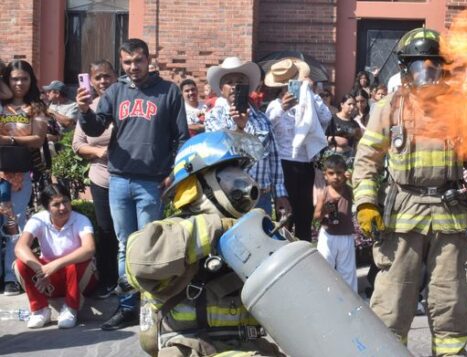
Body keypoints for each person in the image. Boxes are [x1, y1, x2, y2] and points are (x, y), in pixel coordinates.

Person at [353, 27, 467, 356]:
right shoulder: (389, 107)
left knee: (450, 297)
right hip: (402, 214)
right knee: (393, 298)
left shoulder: (462, 109)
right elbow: (366, 161)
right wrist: (365, 203)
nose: (427, 73)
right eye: (420, 66)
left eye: (433, 66)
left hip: (448, 214)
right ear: (405, 69)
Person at [125, 130, 284, 356]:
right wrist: (219, 228)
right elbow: (139, 262)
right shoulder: (173, 232)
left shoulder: (254, 232)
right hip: (191, 349)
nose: (245, 186)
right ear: (200, 185)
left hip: (247, 346)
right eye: (230, 176)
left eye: (241, 174)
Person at [76, 38, 189, 330]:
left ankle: (152, 307)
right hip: (119, 179)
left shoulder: (168, 92)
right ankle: (127, 307)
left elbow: (182, 137)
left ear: (148, 60)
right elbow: (96, 127)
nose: (133, 67)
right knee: (125, 245)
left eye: (138, 61)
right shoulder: (116, 91)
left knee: (150, 245)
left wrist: (174, 172)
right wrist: (85, 111)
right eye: (127, 62)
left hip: (152, 182)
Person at [203, 56, 291, 217]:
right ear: (222, 88)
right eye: (230, 81)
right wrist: (239, 128)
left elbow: (274, 156)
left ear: (248, 87)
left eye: (240, 81)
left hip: (261, 196)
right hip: (229, 197)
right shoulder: (214, 116)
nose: (235, 85)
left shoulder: (262, 118)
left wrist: (280, 193)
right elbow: (224, 154)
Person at [265, 58, 332, 242]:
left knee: (305, 216)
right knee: (286, 217)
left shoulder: (307, 101)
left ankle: (304, 253)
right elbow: (268, 127)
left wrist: (313, 92)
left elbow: (326, 118)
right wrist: (282, 108)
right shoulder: (274, 106)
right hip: (284, 165)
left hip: (306, 164)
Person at [13, 183, 96, 329]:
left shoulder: (81, 220)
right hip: (48, 280)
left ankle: (70, 309)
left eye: (65, 201)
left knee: (75, 262)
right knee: (20, 263)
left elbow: (89, 249)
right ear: (47, 207)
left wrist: (56, 264)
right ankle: (40, 310)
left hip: (75, 277)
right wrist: (41, 270)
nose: (63, 208)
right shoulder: (38, 220)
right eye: (56, 204)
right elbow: (20, 247)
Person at [1, 60, 49, 296]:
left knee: (14, 225)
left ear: (31, 81)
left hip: (21, 175)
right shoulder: (1, 104)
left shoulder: (35, 107)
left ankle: (11, 276)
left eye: (24, 78)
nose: (19, 83)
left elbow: (38, 139)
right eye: (14, 78)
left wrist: (8, 140)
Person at [71, 59, 118, 299]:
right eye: (97, 77)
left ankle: (130, 281)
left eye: (107, 76)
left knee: (131, 232)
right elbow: (77, 144)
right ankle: (109, 280)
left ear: (115, 76)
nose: (102, 81)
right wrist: (99, 152)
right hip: (101, 178)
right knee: (106, 231)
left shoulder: (124, 102)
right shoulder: (89, 107)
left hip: (129, 177)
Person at [314, 155, 356, 291]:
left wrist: (353, 179)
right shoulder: (323, 193)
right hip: (328, 236)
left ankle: (350, 301)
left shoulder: (349, 191)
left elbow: (360, 194)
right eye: (331, 173)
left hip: (346, 236)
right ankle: (326, 297)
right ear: (325, 175)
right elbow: (317, 216)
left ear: (345, 173)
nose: (336, 177)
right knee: (325, 269)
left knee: (348, 272)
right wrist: (324, 210)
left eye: (339, 173)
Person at [325, 94, 361, 162]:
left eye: (354, 104)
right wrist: (334, 139)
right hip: (331, 157)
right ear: (342, 105)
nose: (352, 107)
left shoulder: (355, 125)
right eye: (349, 104)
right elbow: (321, 137)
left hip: (347, 159)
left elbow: (358, 142)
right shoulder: (331, 119)